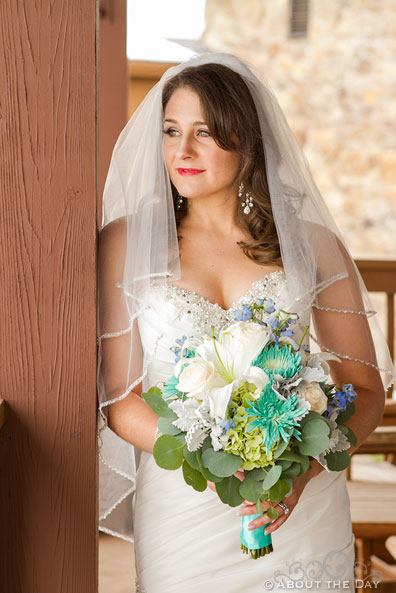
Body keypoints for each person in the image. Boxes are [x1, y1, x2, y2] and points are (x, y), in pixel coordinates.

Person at [97, 53, 395, 592]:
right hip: (184, 506)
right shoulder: (124, 244)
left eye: (204, 133)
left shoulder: (311, 245)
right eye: (171, 131)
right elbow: (120, 400)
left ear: (248, 141)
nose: (181, 151)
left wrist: (301, 472)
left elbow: (365, 388)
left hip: (300, 510)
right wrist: (209, 458)